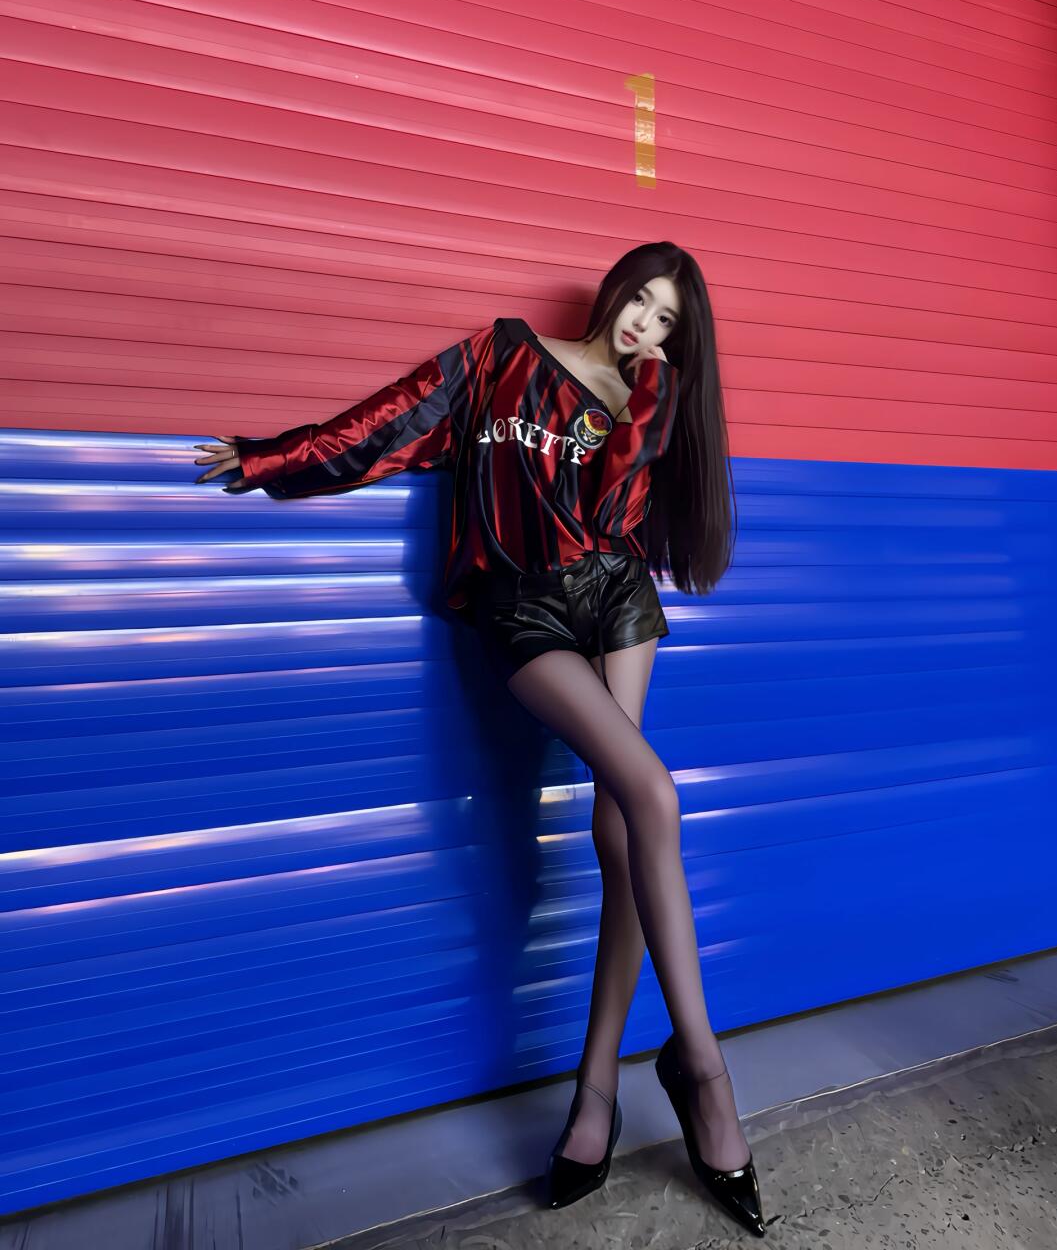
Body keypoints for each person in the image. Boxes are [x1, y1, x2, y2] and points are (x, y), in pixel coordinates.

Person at [192, 242, 762, 1236]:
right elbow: (391, 422)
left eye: (668, 321)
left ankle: (595, 1090)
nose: (644, 325)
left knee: (622, 825)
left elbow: (612, 511)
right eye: (641, 302)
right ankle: (702, 1068)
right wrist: (272, 457)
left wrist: (653, 394)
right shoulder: (501, 355)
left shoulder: (646, 398)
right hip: (520, 605)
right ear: (615, 289)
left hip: (616, 596)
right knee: (651, 795)